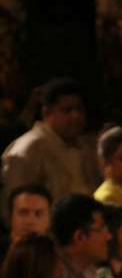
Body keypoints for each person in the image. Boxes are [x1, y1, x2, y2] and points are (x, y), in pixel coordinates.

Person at [1, 78, 100, 210]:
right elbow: (15, 209)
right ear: (47, 112)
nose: (75, 116)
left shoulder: (88, 146)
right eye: (67, 110)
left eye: (79, 109)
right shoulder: (27, 150)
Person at [0, 183, 52, 262]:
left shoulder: (56, 258)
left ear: (48, 220)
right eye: (23, 213)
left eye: (39, 214)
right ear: (10, 217)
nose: (30, 221)